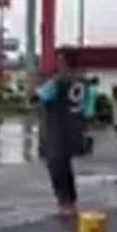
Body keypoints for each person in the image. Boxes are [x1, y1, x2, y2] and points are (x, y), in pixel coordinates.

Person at [36, 60, 85, 216]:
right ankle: (70, 200)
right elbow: (88, 106)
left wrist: (37, 85)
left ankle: (64, 202)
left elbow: (40, 95)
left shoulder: (56, 83)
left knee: (56, 167)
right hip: (71, 129)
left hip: (55, 130)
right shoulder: (79, 82)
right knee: (65, 166)